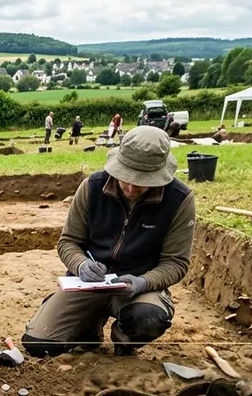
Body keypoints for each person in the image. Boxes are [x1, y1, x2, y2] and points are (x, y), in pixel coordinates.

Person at [21, 126, 196, 357]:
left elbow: (176, 263)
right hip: (87, 283)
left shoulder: (179, 200)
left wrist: (143, 282)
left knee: (147, 319)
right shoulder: (92, 188)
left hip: (138, 290)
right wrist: (81, 265)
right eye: (126, 178)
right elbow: (68, 242)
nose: (131, 188)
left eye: (142, 181)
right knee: (38, 344)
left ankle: (125, 341)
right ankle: (89, 329)